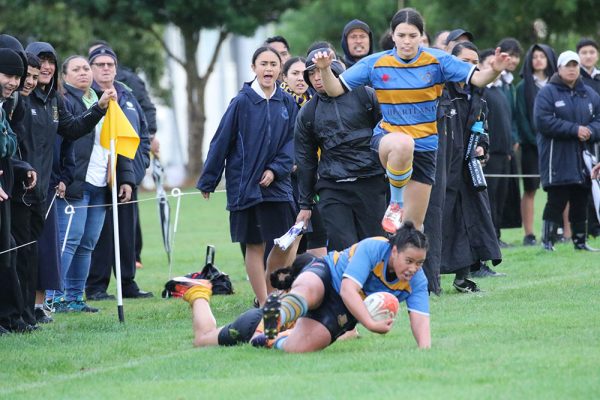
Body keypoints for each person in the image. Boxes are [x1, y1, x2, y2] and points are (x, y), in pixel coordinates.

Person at [312, 7, 512, 234]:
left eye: (412, 36)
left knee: (413, 229)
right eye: (401, 35)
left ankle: (410, 268)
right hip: (388, 139)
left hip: (426, 148)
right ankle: (396, 203)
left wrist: (494, 70)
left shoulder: (438, 60)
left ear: (421, 36)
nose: (407, 41)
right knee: (403, 143)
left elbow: (478, 78)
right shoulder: (376, 63)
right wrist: (325, 69)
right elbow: (335, 89)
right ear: (393, 36)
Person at [12, 41, 115, 326]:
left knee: (40, 251)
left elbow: (72, 129)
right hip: (17, 186)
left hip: (43, 189)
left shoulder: (54, 100)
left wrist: (99, 109)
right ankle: (18, 309)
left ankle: (34, 308)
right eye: (40, 62)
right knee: (19, 250)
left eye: (50, 61)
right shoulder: (20, 98)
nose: (45, 68)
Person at [197, 46, 298, 306]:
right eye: (263, 64)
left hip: (279, 187)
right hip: (246, 186)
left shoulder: (286, 102)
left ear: (279, 70)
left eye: (273, 64)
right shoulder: (241, 102)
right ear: (253, 68)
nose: (268, 69)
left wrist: (275, 170)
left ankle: (277, 295)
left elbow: (292, 143)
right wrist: (209, 179)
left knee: (286, 241)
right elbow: (221, 141)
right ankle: (265, 304)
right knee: (254, 246)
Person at [256, 222, 429, 352]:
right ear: (394, 252)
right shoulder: (374, 248)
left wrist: (424, 350)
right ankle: (278, 315)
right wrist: (370, 323)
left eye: (419, 263)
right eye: (409, 261)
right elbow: (348, 289)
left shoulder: (417, 281)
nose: (413, 268)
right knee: (309, 289)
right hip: (329, 275)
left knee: (298, 348)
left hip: (342, 308)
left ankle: (272, 339)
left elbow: (420, 320)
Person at [51, 55, 135, 310]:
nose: (83, 73)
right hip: (77, 183)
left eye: (86, 68)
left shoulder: (106, 98)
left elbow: (118, 140)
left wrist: (125, 178)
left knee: (88, 242)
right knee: (70, 240)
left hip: (102, 183)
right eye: (75, 69)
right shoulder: (64, 101)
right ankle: (54, 298)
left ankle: (75, 297)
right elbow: (65, 139)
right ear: (64, 76)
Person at [295, 50, 386, 252]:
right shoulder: (308, 112)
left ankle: (374, 285)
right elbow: (305, 160)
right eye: (311, 73)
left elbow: (386, 133)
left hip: (370, 182)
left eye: (321, 70)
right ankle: (346, 284)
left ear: (334, 69)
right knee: (343, 249)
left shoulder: (365, 94)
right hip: (333, 187)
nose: (317, 77)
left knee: (376, 246)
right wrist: (305, 204)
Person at [86, 46, 151, 299]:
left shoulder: (128, 95)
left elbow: (141, 133)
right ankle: (95, 286)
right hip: (96, 178)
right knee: (100, 235)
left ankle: (128, 282)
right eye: (99, 65)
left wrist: (139, 165)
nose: (105, 69)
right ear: (91, 69)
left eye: (109, 65)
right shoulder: (87, 97)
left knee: (126, 232)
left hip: (127, 177)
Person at [438, 42, 502, 293]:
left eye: (475, 62)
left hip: (469, 169)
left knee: (473, 220)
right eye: (464, 61)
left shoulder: (478, 94)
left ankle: (463, 277)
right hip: (444, 170)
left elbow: (483, 129)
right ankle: (431, 280)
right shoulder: (441, 92)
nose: (471, 66)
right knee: (443, 223)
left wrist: (482, 148)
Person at [534, 50, 600, 252]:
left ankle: (580, 241)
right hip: (557, 157)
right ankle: (547, 241)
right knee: (557, 199)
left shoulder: (589, 93)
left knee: (581, 198)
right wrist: (575, 129)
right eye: (567, 65)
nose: (572, 69)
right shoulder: (547, 92)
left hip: (583, 157)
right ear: (559, 68)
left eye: (575, 65)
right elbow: (543, 121)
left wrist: (590, 131)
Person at [181, 252, 314, 348]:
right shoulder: (300, 295)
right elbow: (257, 338)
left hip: (259, 319)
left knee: (205, 337)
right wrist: (267, 335)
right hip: (253, 325)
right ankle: (198, 293)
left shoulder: (314, 290)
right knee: (202, 339)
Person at [515, 44, 557, 246]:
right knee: (530, 189)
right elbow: (521, 118)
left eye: (543, 56)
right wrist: (535, 140)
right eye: (535, 56)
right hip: (532, 147)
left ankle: (563, 231)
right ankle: (529, 234)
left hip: (557, 146)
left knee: (560, 187)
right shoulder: (522, 87)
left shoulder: (558, 84)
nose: (539, 60)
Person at [576, 38, 600, 238]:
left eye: (592, 52)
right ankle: (589, 227)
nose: (588, 55)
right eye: (584, 52)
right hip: (583, 138)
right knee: (586, 182)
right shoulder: (576, 79)